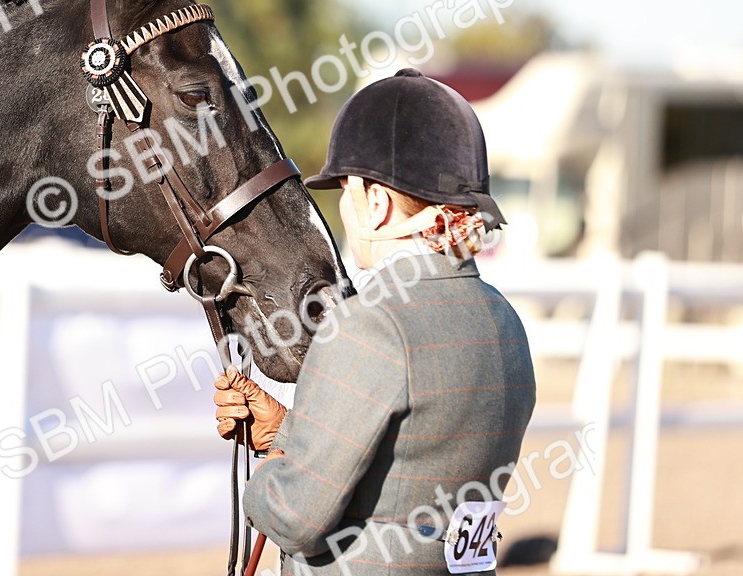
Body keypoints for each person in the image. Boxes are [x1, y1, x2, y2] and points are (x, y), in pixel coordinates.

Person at [214, 68, 536, 575]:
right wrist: (288, 431)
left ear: (377, 204)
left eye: (346, 189)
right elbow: (406, 471)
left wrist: (273, 470)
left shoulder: (368, 324)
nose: (342, 205)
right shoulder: (504, 322)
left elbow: (296, 517)